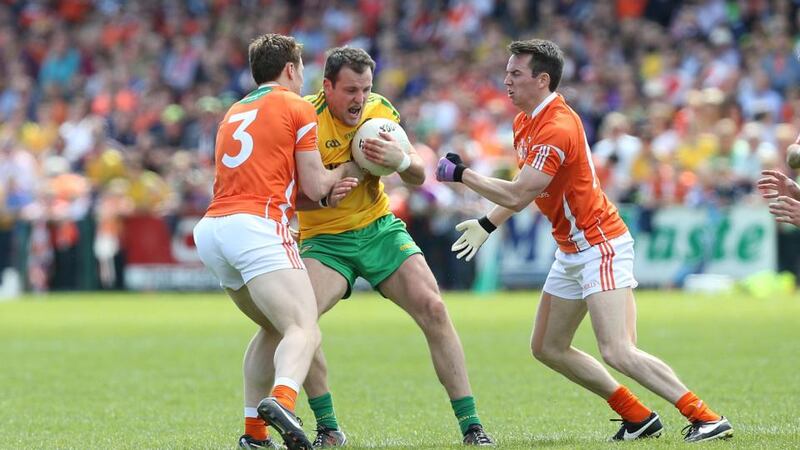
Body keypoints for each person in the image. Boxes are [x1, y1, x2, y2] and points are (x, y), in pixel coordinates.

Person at [436, 39, 734, 443]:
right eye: (506, 72)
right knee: (547, 347)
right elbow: (529, 191)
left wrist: (461, 174)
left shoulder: (556, 126)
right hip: (573, 249)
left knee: (618, 349)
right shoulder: (526, 120)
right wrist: (487, 224)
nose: (506, 80)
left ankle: (706, 417)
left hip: (600, 244)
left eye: (515, 74)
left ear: (542, 80)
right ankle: (637, 416)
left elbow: (518, 192)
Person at [291, 46, 493, 447]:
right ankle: (328, 428)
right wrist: (327, 193)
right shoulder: (302, 119)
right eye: (350, 90)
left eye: (365, 89)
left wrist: (401, 159)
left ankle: (472, 426)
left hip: (379, 228)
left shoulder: (380, 110)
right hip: (324, 240)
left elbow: (419, 175)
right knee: (300, 323)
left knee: (434, 308)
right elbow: (290, 196)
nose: (359, 99)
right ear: (326, 86)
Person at [192, 34, 359, 450]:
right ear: (290, 68)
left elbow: (279, 184)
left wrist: (318, 193)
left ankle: (254, 433)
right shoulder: (296, 105)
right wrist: (356, 161)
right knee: (303, 327)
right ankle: (283, 400)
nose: (302, 77)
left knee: (274, 327)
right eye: (302, 69)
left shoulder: (235, 110)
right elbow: (318, 181)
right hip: (257, 225)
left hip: (214, 229)